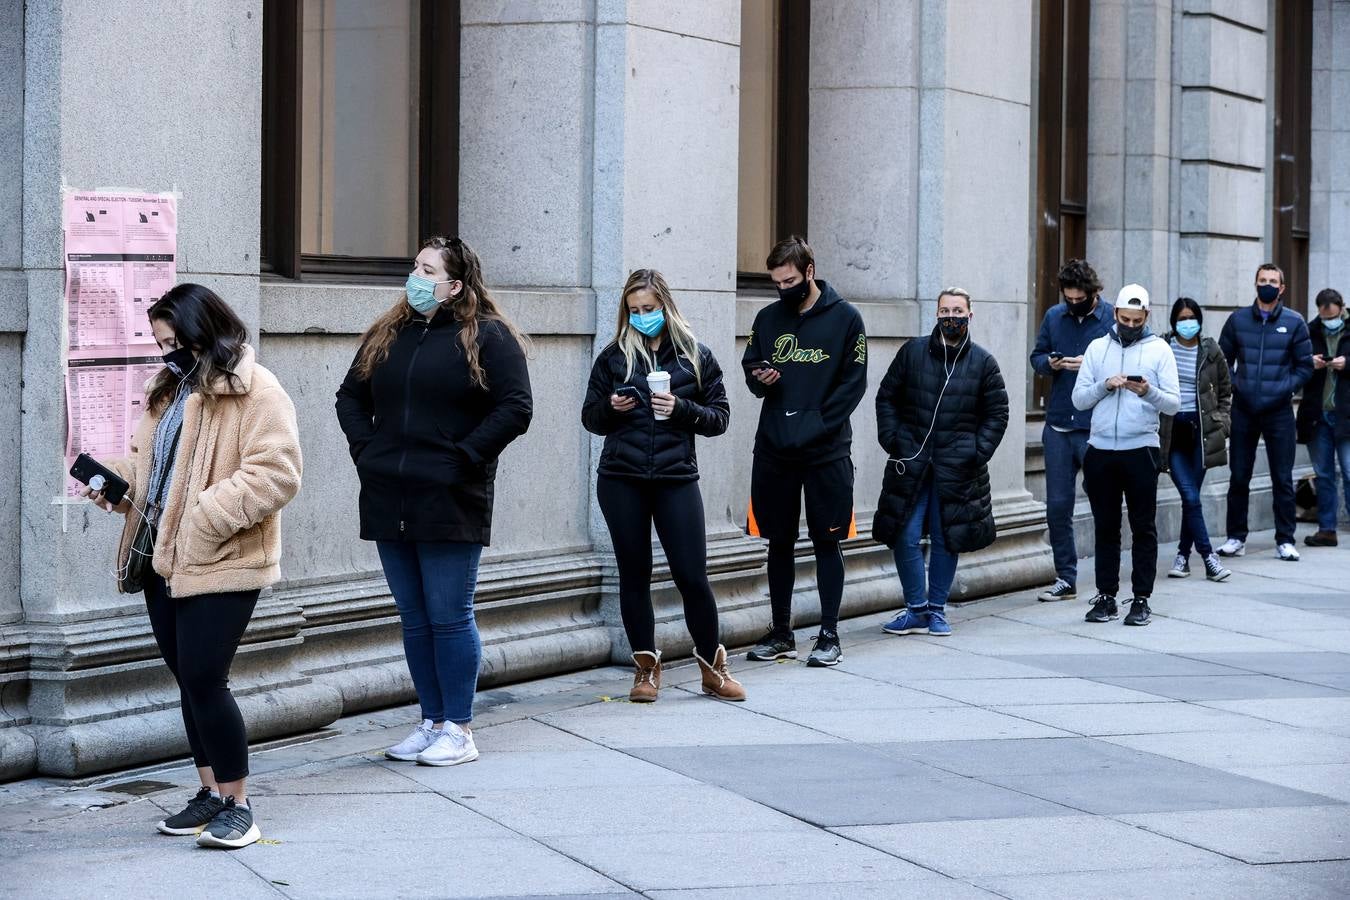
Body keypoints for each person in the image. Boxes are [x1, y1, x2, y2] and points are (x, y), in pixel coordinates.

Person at [82, 283, 303, 849]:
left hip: (222, 557)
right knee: (188, 680)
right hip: (161, 557)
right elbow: (146, 463)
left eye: (176, 342)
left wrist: (204, 517)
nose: (168, 354)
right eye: (161, 344)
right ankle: (209, 793)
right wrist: (114, 482)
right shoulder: (170, 389)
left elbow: (277, 473)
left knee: (206, 677)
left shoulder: (256, 390)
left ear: (206, 331)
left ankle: (239, 806)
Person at [336, 236, 532, 768]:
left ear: (455, 285)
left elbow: (515, 408)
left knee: (448, 615)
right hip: (388, 492)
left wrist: (462, 458)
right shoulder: (389, 332)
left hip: (450, 495)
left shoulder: (487, 336)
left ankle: (459, 727)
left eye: (427, 270)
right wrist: (366, 451)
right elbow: (350, 396)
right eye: (415, 267)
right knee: (414, 618)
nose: (415, 277)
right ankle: (430, 719)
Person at [581, 269, 744, 702]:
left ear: (666, 307)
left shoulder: (696, 356)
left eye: (649, 309)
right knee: (634, 575)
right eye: (634, 311)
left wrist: (681, 408)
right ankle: (645, 671)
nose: (641, 317)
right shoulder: (614, 357)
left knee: (692, 575)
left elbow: (720, 418)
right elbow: (590, 418)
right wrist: (612, 407)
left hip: (676, 478)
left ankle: (713, 667)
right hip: (621, 478)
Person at [742, 236, 868, 667]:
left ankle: (829, 634)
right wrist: (761, 378)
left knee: (827, 540)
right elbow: (750, 369)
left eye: (790, 280)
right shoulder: (766, 318)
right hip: (775, 447)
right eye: (776, 282)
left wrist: (815, 424)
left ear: (809, 271)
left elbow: (854, 384)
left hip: (826, 451)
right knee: (778, 541)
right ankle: (781, 632)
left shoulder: (847, 318)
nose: (783, 289)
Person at [874, 289, 1009, 636]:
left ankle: (936, 610)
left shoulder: (983, 363)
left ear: (970, 314)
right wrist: (894, 439)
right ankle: (915, 609)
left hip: (958, 469)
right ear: (936, 314)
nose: (952, 316)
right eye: (945, 310)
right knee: (904, 535)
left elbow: (997, 413)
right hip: (913, 463)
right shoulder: (912, 352)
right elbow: (887, 396)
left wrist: (977, 451)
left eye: (959, 310)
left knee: (947, 537)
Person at [1072, 284, 1180, 626]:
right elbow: (1078, 400)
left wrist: (1147, 391)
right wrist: (1105, 385)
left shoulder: (1159, 349)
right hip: (1101, 449)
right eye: (1124, 318)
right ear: (1115, 314)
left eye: (1136, 319)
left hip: (1141, 449)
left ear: (1146, 316)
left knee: (1142, 526)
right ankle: (1106, 595)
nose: (1130, 325)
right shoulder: (1096, 348)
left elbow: (1174, 404)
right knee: (1105, 527)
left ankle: (1142, 598)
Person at [1029, 259, 1114, 601]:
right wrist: (1050, 364)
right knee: (1057, 507)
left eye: (1080, 299)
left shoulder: (1110, 318)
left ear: (1093, 294)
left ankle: (1107, 583)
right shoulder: (1054, 316)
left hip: (1096, 425)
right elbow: (1036, 358)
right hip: (1060, 422)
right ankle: (1066, 577)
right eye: (1069, 298)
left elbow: (1124, 362)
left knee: (1103, 505)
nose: (1074, 304)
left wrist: (1090, 366)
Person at [1217, 263, 1314, 561]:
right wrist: (1237, 386)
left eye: (1273, 281)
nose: (1267, 285)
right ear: (1255, 284)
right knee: (1239, 477)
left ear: (1282, 288)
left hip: (1279, 412)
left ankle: (1285, 539)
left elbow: (1305, 366)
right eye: (1262, 280)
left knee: (1282, 478)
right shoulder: (1237, 320)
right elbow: (1223, 362)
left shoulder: (1294, 322)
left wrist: (1285, 387)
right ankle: (1236, 537)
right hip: (1244, 410)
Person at [1160, 298, 1233, 581]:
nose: (1187, 323)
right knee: (1190, 496)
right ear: (1174, 322)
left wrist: (1222, 423)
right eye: (1182, 318)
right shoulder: (1163, 347)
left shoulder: (1211, 350)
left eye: (1192, 317)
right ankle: (1208, 557)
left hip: (1202, 435)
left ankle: (1182, 557)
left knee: (1192, 500)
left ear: (1199, 320)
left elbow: (1226, 391)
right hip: (1173, 433)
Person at [1297, 288, 1350, 546]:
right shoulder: (1308, 331)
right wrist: (1310, 362)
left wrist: (1346, 363)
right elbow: (1294, 364)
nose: (1328, 318)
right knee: (1324, 475)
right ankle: (1327, 529)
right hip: (1317, 415)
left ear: (1341, 308)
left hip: (1346, 415)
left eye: (1332, 313)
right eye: (1323, 313)